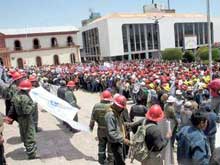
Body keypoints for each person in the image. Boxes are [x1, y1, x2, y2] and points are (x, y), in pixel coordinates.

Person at [11, 79, 38, 159]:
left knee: (24, 134)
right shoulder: (25, 98)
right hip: (26, 118)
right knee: (30, 135)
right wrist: (33, 105)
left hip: (20, 118)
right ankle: (31, 154)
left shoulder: (17, 94)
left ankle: (28, 149)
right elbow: (27, 111)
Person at [105, 94, 131, 165]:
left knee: (119, 160)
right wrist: (123, 139)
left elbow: (118, 124)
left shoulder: (117, 112)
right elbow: (111, 132)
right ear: (117, 106)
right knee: (119, 161)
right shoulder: (111, 115)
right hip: (115, 142)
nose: (122, 109)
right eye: (121, 107)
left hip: (119, 141)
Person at [89, 90, 114, 165]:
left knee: (101, 144)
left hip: (100, 129)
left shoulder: (96, 106)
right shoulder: (113, 106)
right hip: (111, 130)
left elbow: (92, 119)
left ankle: (101, 160)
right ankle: (110, 161)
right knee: (111, 146)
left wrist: (91, 127)